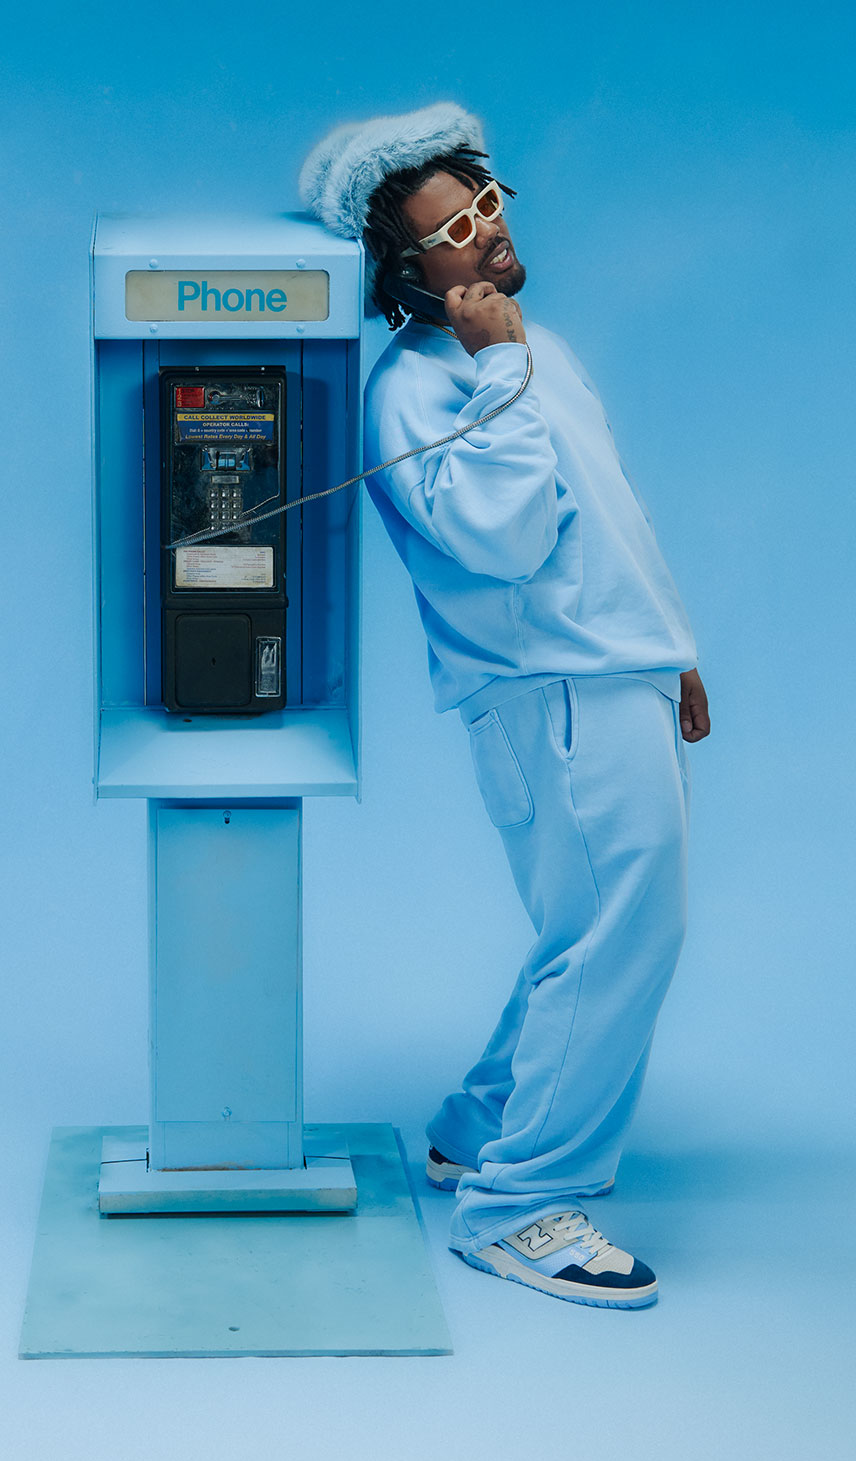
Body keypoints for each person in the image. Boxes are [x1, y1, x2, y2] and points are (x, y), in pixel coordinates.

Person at [299, 101, 711, 1310]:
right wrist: (497, 368)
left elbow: (609, 509)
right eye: (451, 231)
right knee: (624, 935)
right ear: (403, 276)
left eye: (486, 204)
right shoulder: (416, 390)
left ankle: (480, 1129)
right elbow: (508, 534)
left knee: (586, 931)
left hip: (616, 672)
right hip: (551, 697)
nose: (484, 233)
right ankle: (520, 1205)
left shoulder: (538, 352)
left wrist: (674, 646)